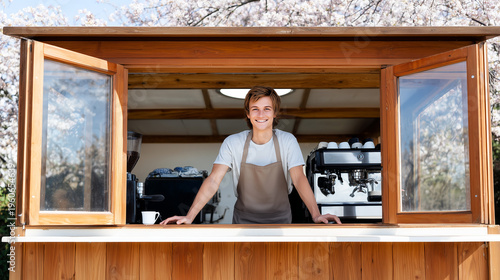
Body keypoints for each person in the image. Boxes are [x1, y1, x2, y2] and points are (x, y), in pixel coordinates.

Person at [161, 86, 341, 225]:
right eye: (255, 109)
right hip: (243, 223)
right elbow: (214, 180)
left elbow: (299, 178)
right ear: (247, 114)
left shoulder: (288, 141)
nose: (261, 114)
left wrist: (316, 214)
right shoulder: (233, 143)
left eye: (267, 109)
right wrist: (190, 216)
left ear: (275, 113)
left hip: (281, 223)